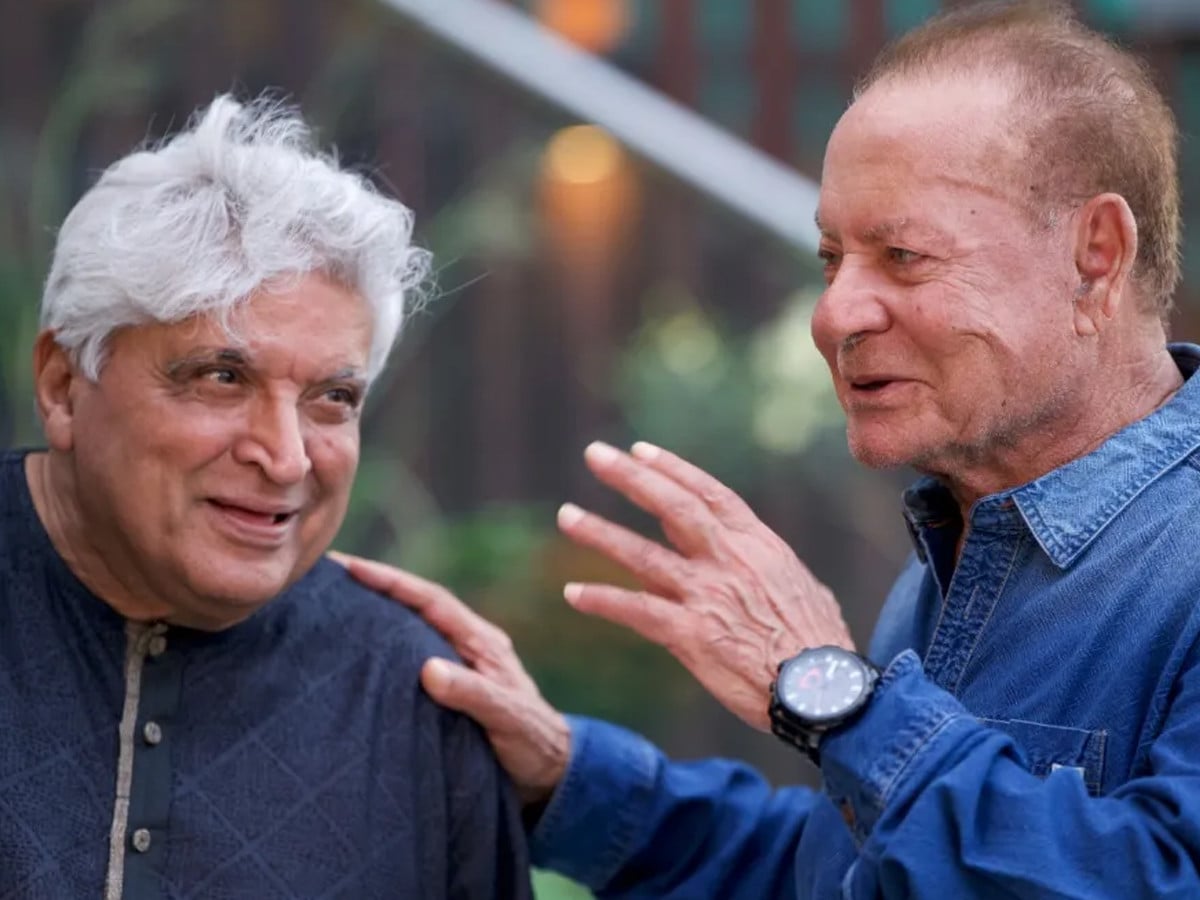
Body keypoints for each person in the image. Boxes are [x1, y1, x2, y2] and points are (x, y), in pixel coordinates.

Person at [337, 2, 1200, 897]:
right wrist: (564, 775)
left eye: (903, 255)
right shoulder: (967, 534)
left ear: (1095, 256)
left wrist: (843, 704)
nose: (835, 313)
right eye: (831, 258)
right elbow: (856, 869)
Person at [1, 94, 531, 898]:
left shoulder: (415, 698)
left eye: (333, 398)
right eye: (222, 377)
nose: (286, 458)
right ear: (64, 386)